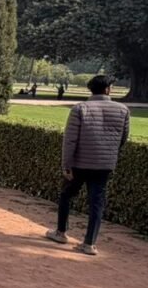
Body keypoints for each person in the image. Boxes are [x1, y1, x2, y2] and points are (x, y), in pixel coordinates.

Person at [45, 74, 130, 256]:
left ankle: (61, 232)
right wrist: (109, 155)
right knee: (97, 203)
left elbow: (70, 140)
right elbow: (123, 139)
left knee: (67, 195)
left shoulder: (80, 109)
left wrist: (66, 164)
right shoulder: (122, 110)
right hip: (105, 164)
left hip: (80, 163)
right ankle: (89, 243)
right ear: (107, 89)